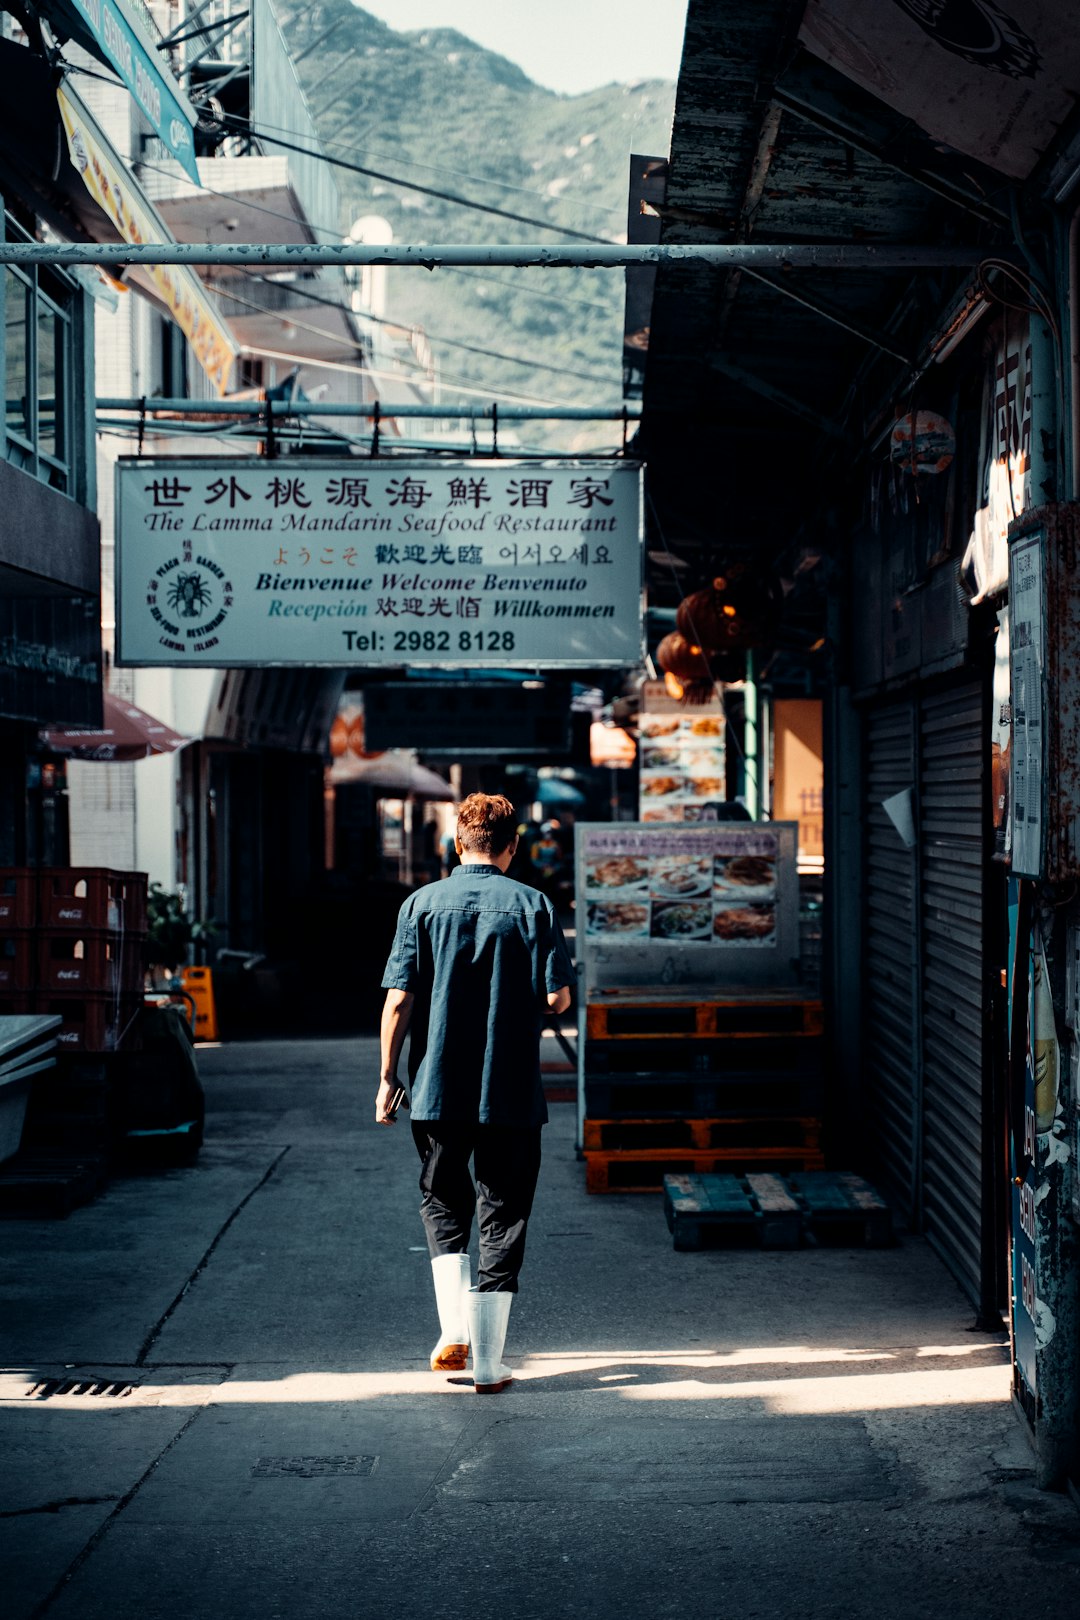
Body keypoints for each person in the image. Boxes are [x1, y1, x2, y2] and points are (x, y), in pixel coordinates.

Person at [377, 792, 573, 1393]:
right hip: (510, 1088)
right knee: (503, 1208)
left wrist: (388, 1075)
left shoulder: (420, 905)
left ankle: (452, 1329)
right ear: (512, 847)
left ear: (456, 845)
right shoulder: (534, 905)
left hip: (436, 1088)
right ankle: (488, 1362)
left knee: (442, 1201)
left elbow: (399, 999)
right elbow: (557, 998)